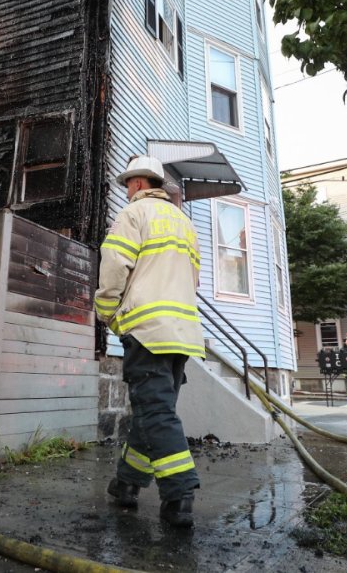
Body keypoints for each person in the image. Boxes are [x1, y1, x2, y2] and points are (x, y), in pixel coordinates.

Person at [95, 155, 203, 528]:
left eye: (128, 185)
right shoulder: (185, 223)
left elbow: (113, 268)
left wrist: (106, 310)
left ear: (139, 184)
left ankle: (179, 495)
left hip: (147, 331)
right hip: (183, 334)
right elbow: (194, 280)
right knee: (151, 410)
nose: (126, 191)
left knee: (156, 413)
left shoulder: (134, 215)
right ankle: (126, 485)